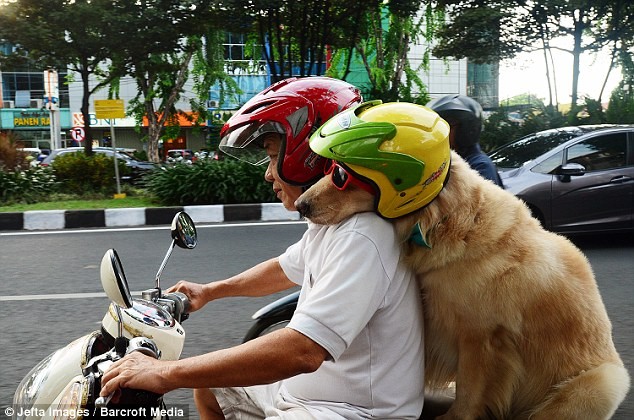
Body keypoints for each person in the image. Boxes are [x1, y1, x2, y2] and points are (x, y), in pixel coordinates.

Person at [99, 77, 426, 420]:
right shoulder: (331, 221)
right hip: (304, 393)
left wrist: (165, 373)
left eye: (272, 156)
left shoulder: (362, 235)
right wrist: (209, 291)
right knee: (209, 386)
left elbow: (303, 351)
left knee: (198, 374)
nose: (269, 174)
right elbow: (285, 268)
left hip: (352, 411)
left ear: (307, 155)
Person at [426, 94, 504, 187]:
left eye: (446, 126)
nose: (438, 132)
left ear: (466, 130)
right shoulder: (444, 161)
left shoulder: (480, 167)